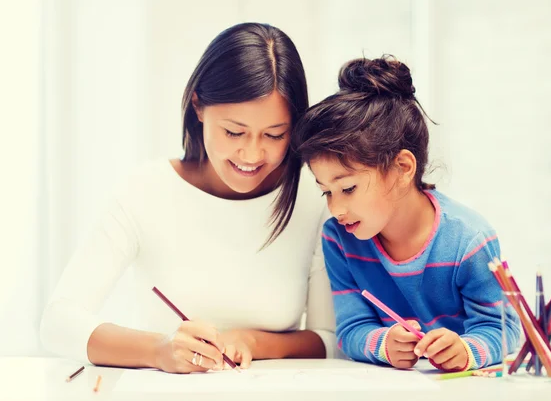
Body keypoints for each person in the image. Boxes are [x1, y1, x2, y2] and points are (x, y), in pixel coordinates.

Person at [40, 22, 336, 374]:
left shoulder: (315, 197)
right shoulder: (145, 190)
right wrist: (158, 349)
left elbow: (328, 338)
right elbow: (58, 322)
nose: (252, 153)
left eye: (274, 135)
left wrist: (252, 341)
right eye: (234, 131)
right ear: (198, 106)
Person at [292, 55, 520, 372]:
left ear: (402, 168)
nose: (336, 209)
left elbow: (503, 331)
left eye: (348, 189)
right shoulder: (339, 239)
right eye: (326, 191)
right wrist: (384, 345)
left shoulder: (468, 241)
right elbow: (351, 329)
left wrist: (465, 350)